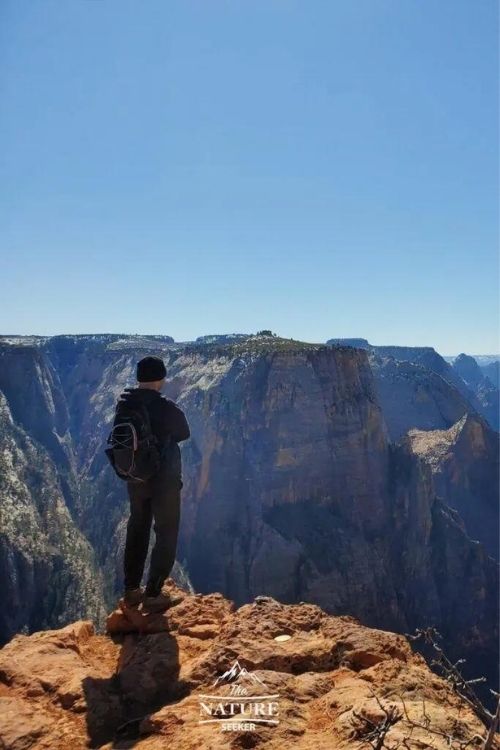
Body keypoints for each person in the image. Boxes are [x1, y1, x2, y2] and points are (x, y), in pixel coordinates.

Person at [118, 355, 190, 612]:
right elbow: (184, 433)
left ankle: (131, 590)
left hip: (135, 477)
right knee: (166, 531)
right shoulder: (166, 407)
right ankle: (154, 593)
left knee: (137, 528)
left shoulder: (125, 404)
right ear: (161, 379)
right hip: (164, 479)